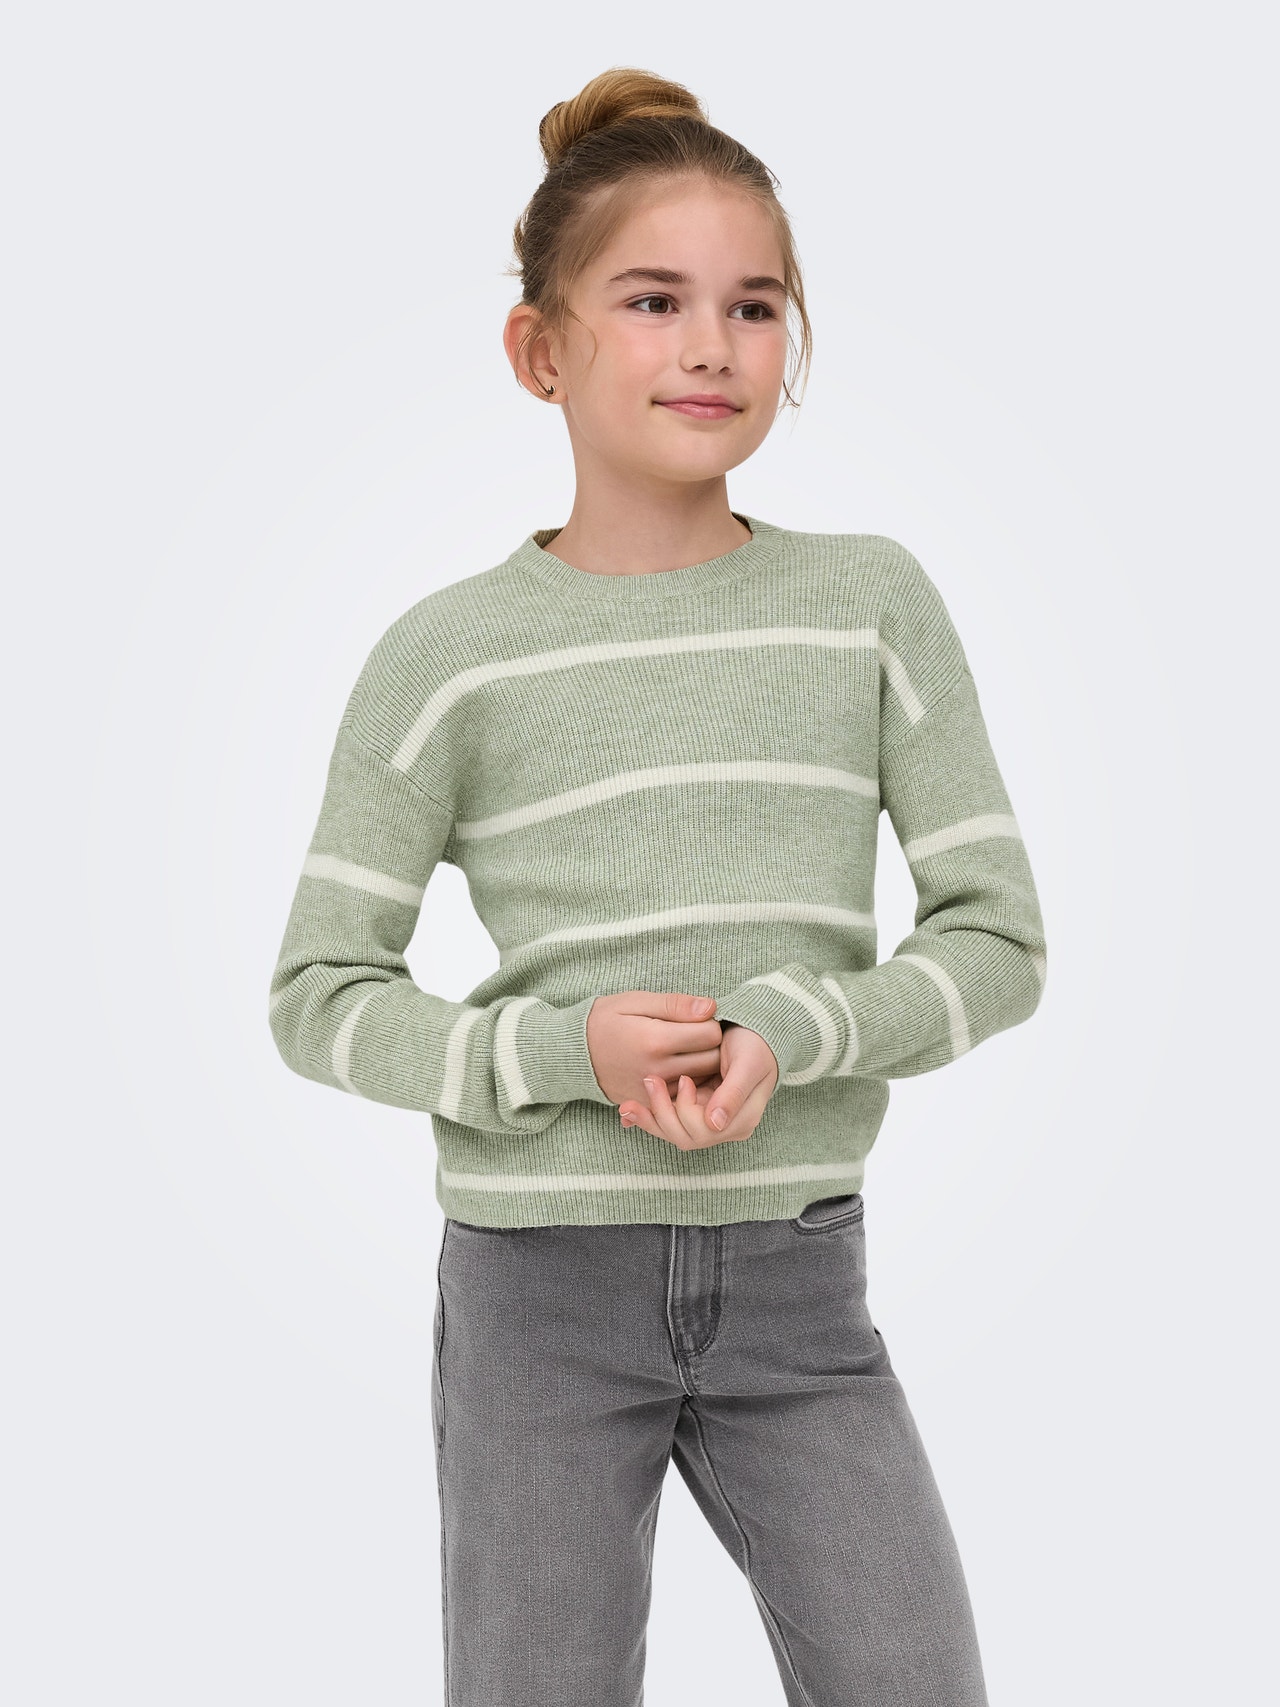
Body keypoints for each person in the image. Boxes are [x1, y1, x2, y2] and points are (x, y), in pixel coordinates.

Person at [269, 65, 1048, 1707]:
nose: (712, 345)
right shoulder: (449, 657)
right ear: (539, 351)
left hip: (799, 1282)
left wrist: (791, 1030)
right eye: (653, 300)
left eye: (754, 305)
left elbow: (998, 942)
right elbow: (318, 995)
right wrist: (569, 1054)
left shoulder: (869, 607)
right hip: (537, 1296)